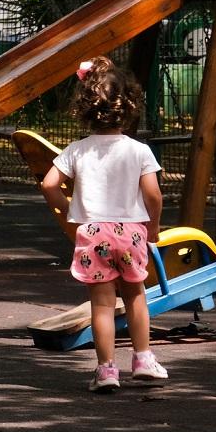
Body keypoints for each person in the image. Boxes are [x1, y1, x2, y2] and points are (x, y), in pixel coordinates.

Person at [40, 56, 168, 393]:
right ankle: (143, 359)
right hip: (130, 233)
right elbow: (153, 195)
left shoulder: (77, 150)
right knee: (136, 296)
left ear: (85, 108)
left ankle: (106, 370)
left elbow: (49, 184)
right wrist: (152, 226)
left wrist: (69, 210)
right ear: (129, 107)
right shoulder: (139, 150)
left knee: (101, 304)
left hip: (93, 233)